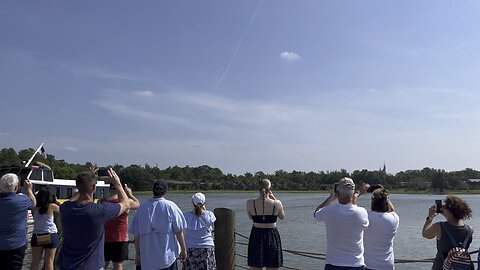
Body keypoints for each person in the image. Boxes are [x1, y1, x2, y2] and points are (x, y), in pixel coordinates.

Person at [57, 168, 130, 270]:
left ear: (78, 187)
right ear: (94, 188)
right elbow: (126, 203)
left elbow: (73, 199)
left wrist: (84, 183)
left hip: (66, 265)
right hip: (91, 266)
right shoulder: (99, 210)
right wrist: (117, 184)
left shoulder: (65, 208)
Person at [129, 179, 187, 270]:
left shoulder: (141, 209)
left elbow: (137, 236)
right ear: (165, 191)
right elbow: (179, 232)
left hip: (146, 261)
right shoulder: (171, 206)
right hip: (167, 259)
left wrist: (138, 254)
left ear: (153, 190)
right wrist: (183, 250)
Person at [314, 177, 369, 270]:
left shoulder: (329, 211)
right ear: (352, 193)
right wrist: (358, 193)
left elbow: (316, 213)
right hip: (355, 264)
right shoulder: (361, 212)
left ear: (338, 192)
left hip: (333, 264)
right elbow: (353, 209)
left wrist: (331, 198)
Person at [422, 195, 474, 270]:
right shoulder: (470, 230)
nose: (442, 207)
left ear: (450, 211)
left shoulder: (439, 226)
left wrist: (430, 217)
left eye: (445, 206)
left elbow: (425, 234)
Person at [99, 183, 140, 270]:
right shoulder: (125, 203)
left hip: (104, 238)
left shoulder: (101, 202)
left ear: (109, 190)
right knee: (118, 265)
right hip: (120, 239)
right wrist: (130, 194)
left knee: (102, 265)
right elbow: (137, 204)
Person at [246, 179, 285, 270]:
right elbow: (282, 217)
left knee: (255, 266)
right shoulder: (277, 203)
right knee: (273, 266)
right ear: (270, 188)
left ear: (258, 188)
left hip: (256, 235)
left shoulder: (250, 203)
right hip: (272, 234)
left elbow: (251, 217)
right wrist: (274, 199)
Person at [0, 174, 36, 270]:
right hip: (16, 245)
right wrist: (29, 189)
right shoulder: (22, 200)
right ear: (16, 187)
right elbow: (33, 203)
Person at [360, 186, 399, 270]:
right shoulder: (394, 218)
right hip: (387, 266)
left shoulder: (365, 216)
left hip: (368, 265)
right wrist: (385, 197)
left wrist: (359, 193)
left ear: (372, 202)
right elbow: (392, 210)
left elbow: (350, 206)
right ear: (386, 202)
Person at [183, 192, 217, 270]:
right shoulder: (210, 215)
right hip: (206, 248)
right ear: (204, 203)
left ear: (192, 203)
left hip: (190, 248)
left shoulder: (186, 216)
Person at [29, 188, 60, 270]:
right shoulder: (52, 206)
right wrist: (56, 202)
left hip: (37, 235)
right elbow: (63, 211)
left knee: (35, 262)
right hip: (50, 234)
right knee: (49, 261)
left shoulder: (34, 208)